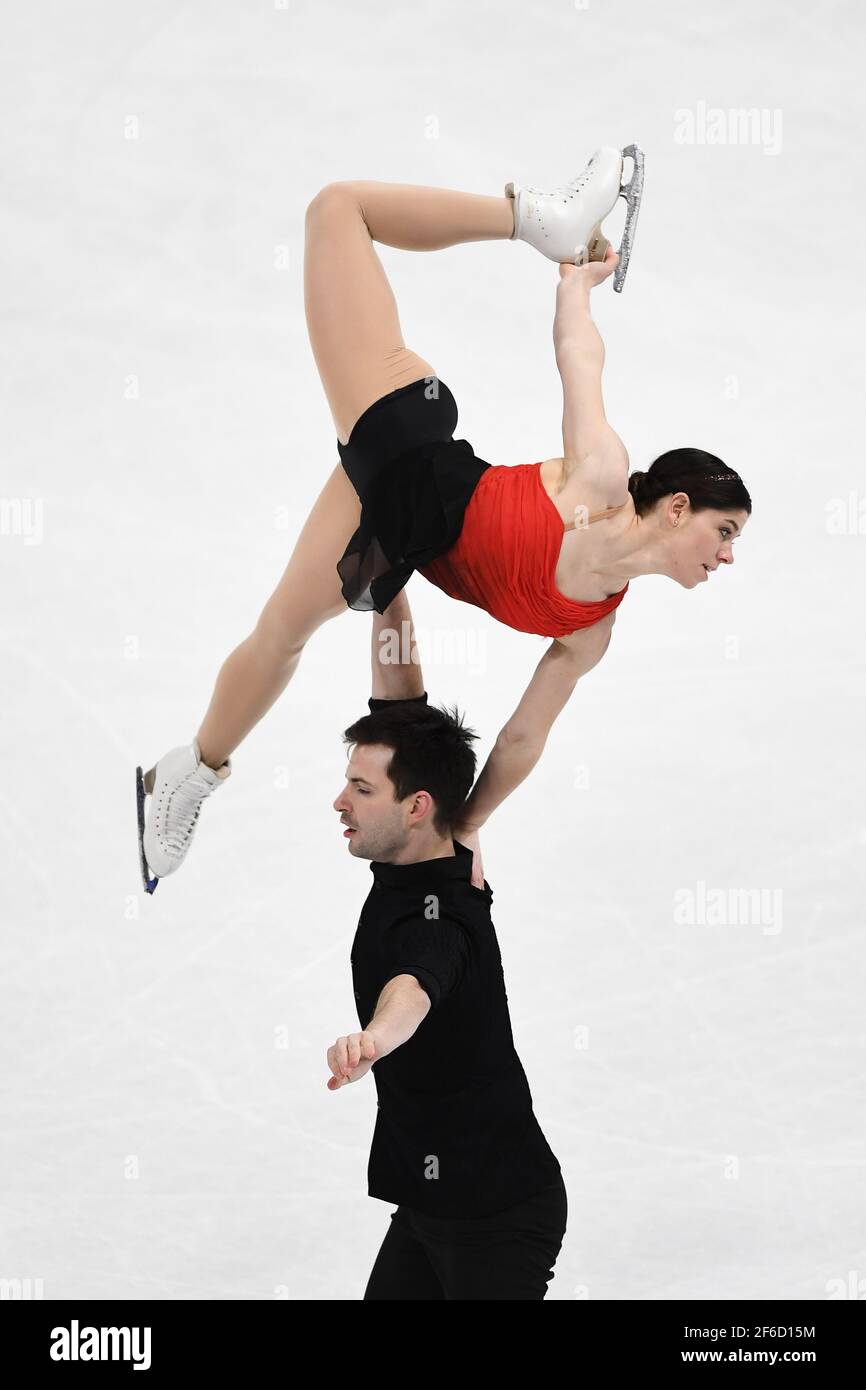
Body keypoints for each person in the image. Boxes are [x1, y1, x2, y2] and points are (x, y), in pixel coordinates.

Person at [136, 146, 752, 893]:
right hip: (408, 436)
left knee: (282, 633)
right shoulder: (600, 480)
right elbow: (578, 357)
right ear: (678, 507)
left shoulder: (591, 628)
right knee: (339, 209)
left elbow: (525, 736)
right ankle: (536, 216)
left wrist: (464, 828)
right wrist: (573, 284)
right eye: (724, 532)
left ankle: (185, 775)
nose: (725, 556)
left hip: (396, 526)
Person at [327, 590, 566, 1299]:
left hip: (499, 1219)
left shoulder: (441, 919)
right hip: (432, 1205)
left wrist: (374, 1038)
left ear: (414, 806)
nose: (338, 802)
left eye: (359, 789)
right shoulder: (444, 830)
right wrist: (389, 582)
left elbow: (416, 986)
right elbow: (403, 697)